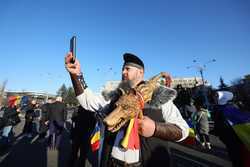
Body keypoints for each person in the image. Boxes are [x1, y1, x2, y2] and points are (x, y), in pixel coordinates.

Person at [65, 52, 189, 167]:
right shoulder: (116, 95)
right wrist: (76, 74)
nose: (123, 72)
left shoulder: (159, 96)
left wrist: (156, 128)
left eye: (127, 68)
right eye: (123, 69)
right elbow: (87, 100)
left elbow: (183, 130)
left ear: (140, 72)